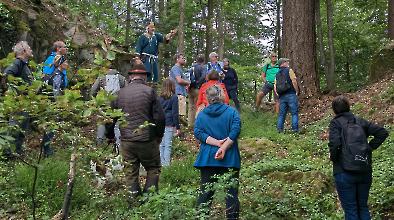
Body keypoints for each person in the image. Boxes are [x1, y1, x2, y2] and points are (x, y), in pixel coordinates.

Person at [328, 95, 388, 220]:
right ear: (348, 107)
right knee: (363, 207)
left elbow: (335, 144)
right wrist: (369, 148)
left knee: (351, 210)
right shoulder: (360, 121)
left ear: (334, 110)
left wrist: (334, 158)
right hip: (364, 169)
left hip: (343, 172)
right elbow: (382, 132)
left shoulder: (335, 123)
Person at [113, 63, 165, 205]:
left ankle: (134, 202)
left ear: (130, 77)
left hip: (127, 141)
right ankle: (149, 200)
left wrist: (109, 135)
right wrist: (159, 135)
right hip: (146, 139)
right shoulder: (150, 91)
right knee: (153, 168)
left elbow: (110, 117)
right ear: (144, 77)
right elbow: (159, 117)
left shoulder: (120, 93)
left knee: (130, 172)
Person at [194, 85, 241, 220]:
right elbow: (235, 130)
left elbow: (198, 132)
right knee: (231, 194)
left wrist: (216, 143)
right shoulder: (232, 112)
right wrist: (223, 146)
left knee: (205, 194)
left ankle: (201, 217)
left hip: (208, 158)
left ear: (207, 98)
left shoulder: (202, 114)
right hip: (230, 158)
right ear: (221, 96)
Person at [3, 41, 53, 157]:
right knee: (14, 129)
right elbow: (7, 74)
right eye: (29, 48)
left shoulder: (24, 65)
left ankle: (17, 154)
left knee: (21, 130)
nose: (31, 50)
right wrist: (16, 92)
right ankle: (8, 155)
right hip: (19, 103)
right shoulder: (18, 62)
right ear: (24, 51)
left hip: (25, 104)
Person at [90, 65, 126, 150]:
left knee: (102, 124)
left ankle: (99, 147)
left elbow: (93, 91)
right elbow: (127, 91)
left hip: (105, 106)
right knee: (118, 126)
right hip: (118, 106)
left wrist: (96, 101)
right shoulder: (122, 78)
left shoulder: (101, 77)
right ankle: (119, 148)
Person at [158, 79, 180, 166]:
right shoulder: (174, 97)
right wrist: (177, 127)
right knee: (168, 145)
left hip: (160, 122)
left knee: (161, 144)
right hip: (169, 123)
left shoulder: (159, 98)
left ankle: (161, 163)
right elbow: (175, 113)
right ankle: (166, 165)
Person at [274, 58, 299, 133]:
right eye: (286, 61)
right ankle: (295, 130)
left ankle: (279, 130)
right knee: (294, 113)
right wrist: (296, 91)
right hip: (291, 94)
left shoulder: (277, 74)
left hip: (282, 96)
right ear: (283, 63)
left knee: (281, 114)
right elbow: (294, 81)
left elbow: (275, 86)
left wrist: (278, 94)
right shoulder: (289, 70)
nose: (288, 63)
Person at [169, 54, 190, 120]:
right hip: (178, 94)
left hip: (181, 94)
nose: (184, 59)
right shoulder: (175, 68)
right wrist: (188, 82)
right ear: (177, 59)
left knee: (180, 115)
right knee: (178, 115)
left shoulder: (181, 69)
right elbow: (179, 80)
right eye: (182, 58)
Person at [187, 55, 206, 127]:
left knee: (191, 106)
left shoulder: (191, 67)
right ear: (203, 61)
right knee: (198, 106)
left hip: (190, 88)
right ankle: (197, 124)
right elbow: (204, 76)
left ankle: (190, 124)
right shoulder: (203, 67)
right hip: (198, 89)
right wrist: (198, 83)